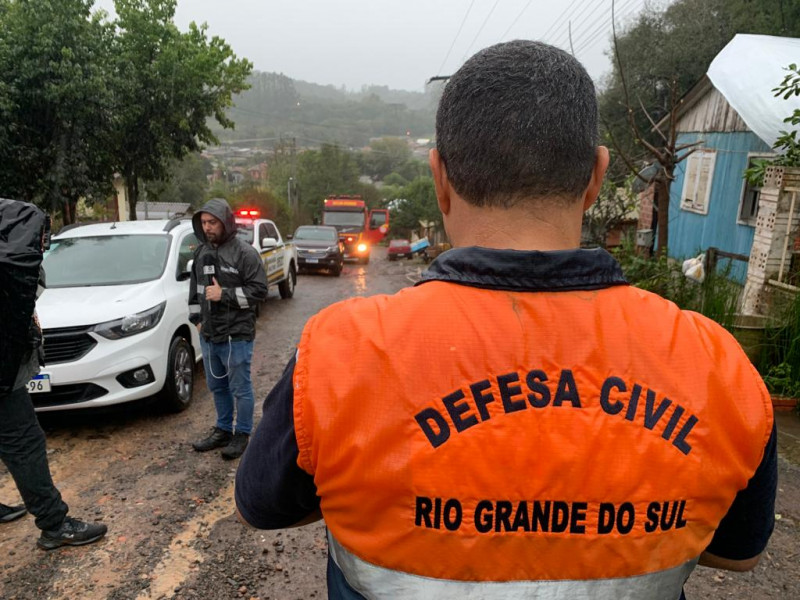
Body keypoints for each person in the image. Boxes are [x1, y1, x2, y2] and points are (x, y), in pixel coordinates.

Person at [234, 41, 777, 599]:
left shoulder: (339, 353)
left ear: (439, 178)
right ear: (596, 176)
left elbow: (261, 507)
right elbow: (740, 553)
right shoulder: (716, 367)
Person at [0, 197, 108, 550]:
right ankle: (54, 523)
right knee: (24, 443)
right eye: (40, 239)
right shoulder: (12, 268)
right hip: (4, 380)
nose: (43, 246)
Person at [189, 198, 268, 460]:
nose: (208, 227)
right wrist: (198, 322)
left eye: (212, 222)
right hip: (210, 335)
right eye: (204, 223)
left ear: (225, 222)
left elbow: (259, 292)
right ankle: (223, 429)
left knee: (240, 388)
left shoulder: (245, 253)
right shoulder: (201, 253)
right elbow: (195, 293)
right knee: (217, 386)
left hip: (237, 335)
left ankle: (242, 434)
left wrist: (224, 294)